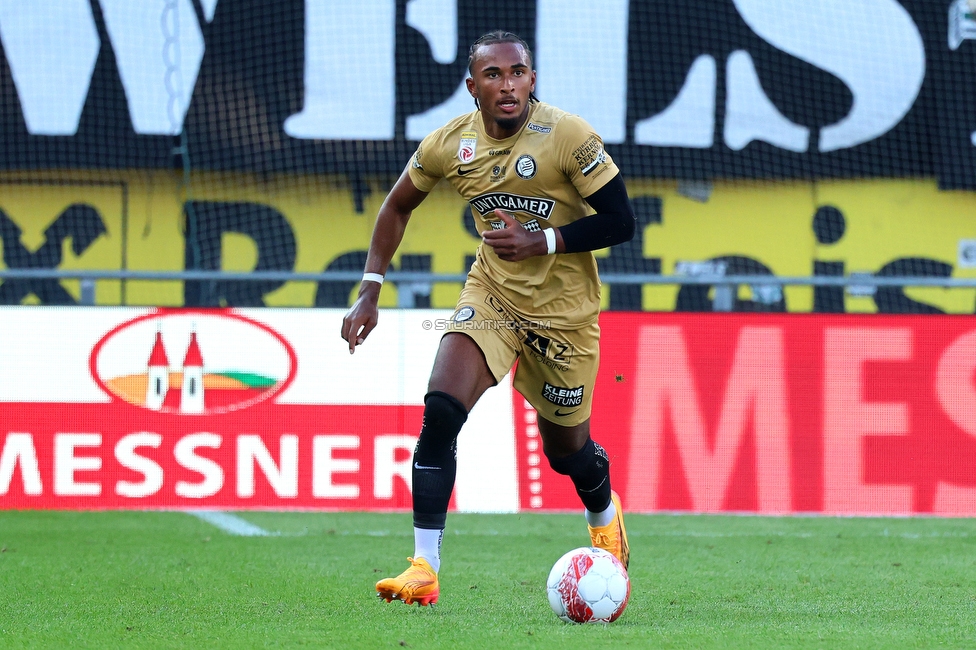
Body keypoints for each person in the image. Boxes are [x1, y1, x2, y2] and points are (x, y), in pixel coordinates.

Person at [341, 30, 636, 607]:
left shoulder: (568, 136)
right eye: (494, 75)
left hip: (566, 318)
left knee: (567, 453)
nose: (508, 85)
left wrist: (545, 239)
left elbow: (622, 220)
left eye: (518, 72)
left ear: (532, 79)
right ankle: (424, 567)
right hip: (493, 299)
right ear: (472, 85)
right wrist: (370, 290)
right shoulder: (449, 145)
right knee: (441, 410)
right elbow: (397, 205)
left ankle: (603, 513)